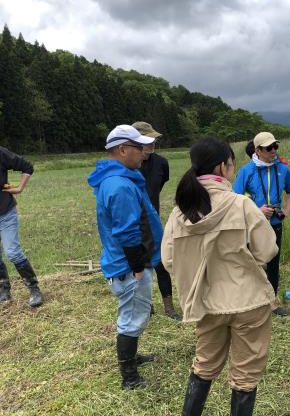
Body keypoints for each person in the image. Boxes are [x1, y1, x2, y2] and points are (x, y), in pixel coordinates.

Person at [162, 137, 278, 416]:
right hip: (249, 301)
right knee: (245, 376)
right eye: (231, 163)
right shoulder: (241, 205)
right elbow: (267, 251)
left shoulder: (180, 212)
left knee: (203, 365)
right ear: (221, 167)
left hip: (206, 302)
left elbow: (168, 260)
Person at [87, 125, 163, 390]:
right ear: (122, 150)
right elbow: (127, 230)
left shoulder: (122, 178)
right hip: (129, 266)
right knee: (131, 318)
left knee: (134, 315)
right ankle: (129, 377)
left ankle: (132, 357)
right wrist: (138, 267)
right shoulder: (119, 185)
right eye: (139, 148)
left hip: (130, 263)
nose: (144, 154)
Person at [233, 132, 290, 317]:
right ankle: (251, 300)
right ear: (257, 150)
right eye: (269, 148)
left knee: (274, 261)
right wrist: (256, 209)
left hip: (275, 223)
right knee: (253, 262)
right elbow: (236, 197)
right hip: (254, 225)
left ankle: (272, 302)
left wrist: (287, 208)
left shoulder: (283, 169)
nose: (273, 151)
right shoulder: (247, 170)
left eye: (275, 147)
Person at [132, 121, 182, 321]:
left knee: (161, 263)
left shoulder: (161, 163)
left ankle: (169, 307)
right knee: (138, 265)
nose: (153, 142)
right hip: (133, 223)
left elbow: (157, 187)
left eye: (154, 138)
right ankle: (146, 305)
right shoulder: (128, 166)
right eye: (147, 138)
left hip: (152, 222)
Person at [0, 147, 43, 307]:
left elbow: (27, 167)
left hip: (5, 212)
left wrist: (19, 187)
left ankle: (34, 288)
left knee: (12, 252)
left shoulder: (1, 153)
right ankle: (3, 290)